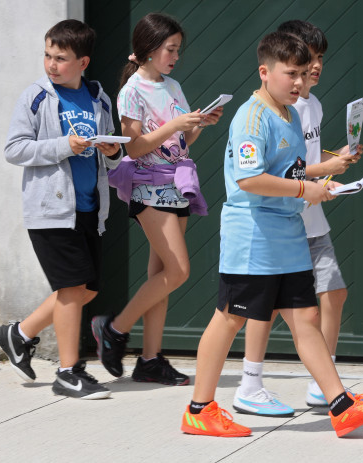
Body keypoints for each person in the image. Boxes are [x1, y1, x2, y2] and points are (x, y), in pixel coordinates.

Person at [180, 31, 363, 438]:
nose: (299, 82)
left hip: (288, 232)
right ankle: (199, 408)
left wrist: (322, 178)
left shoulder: (292, 114)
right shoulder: (251, 117)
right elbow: (248, 179)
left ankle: (340, 405)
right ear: (265, 72)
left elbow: (289, 172)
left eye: (303, 74)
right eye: (290, 73)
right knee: (229, 319)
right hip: (254, 236)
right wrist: (303, 190)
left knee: (306, 317)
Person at [232, 20, 363, 417]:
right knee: (254, 311)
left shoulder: (311, 106)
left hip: (309, 219)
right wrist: (318, 177)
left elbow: (305, 163)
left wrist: (335, 161)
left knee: (329, 296)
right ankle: (247, 386)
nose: (314, 68)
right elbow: (277, 172)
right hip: (281, 222)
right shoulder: (274, 111)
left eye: (318, 59)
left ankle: (326, 389)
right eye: (304, 63)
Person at [91, 12, 223, 386]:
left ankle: (150, 359)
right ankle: (113, 329)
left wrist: (197, 125)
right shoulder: (131, 91)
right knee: (179, 271)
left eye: (178, 49)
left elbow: (179, 142)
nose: (175, 56)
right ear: (148, 50)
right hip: (148, 185)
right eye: (170, 49)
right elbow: (133, 146)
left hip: (176, 180)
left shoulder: (173, 86)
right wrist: (174, 125)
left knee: (161, 276)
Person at [0, 19, 122, 399]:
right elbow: (14, 149)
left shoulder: (99, 97)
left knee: (85, 290)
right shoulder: (36, 96)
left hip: (89, 210)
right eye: (48, 55)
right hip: (50, 210)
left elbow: (113, 160)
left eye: (61, 58)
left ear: (83, 62)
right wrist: (64, 145)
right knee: (71, 289)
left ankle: (18, 335)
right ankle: (68, 373)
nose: (51, 64)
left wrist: (114, 152)